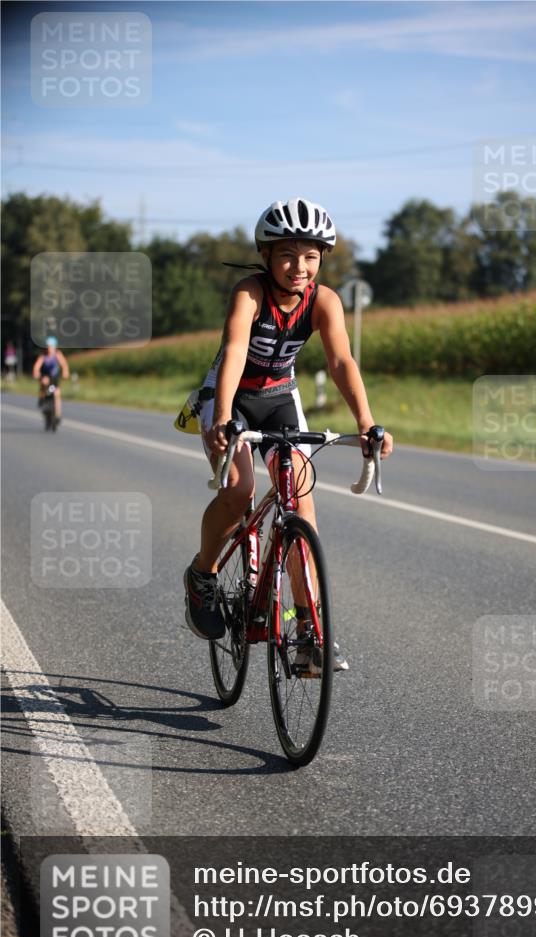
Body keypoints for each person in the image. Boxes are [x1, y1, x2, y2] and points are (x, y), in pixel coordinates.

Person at [182, 197, 393, 669]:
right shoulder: (249, 293)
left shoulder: (324, 301)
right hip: (230, 396)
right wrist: (223, 418)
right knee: (240, 490)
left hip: (279, 396)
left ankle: (306, 632)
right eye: (287, 255)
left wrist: (366, 423)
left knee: (300, 501)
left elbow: (341, 361)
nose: (300, 267)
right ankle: (202, 575)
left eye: (311, 256)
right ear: (266, 256)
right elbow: (235, 350)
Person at [32, 336, 69, 424]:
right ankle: (42, 398)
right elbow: (37, 366)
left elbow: (64, 365)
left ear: (54, 347)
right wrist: (36, 373)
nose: (50, 349)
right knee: (44, 382)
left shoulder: (58, 354)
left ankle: (57, 414)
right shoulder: (43, 355)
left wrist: (65, 372)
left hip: (54, 378)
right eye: (48, 347)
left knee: (57, 393)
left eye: (51, 347)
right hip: (45, 376)